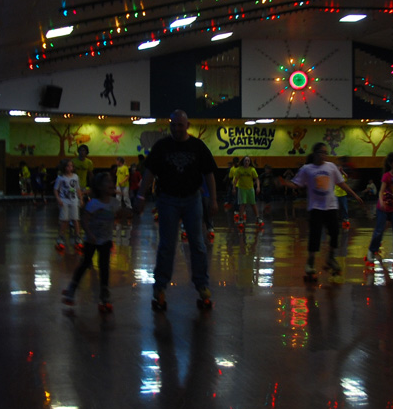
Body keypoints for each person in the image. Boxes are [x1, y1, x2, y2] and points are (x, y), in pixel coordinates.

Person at [134, 110, 219, 311]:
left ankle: (202, 286)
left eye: (180, 125)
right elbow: (149, 172)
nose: (177, 129)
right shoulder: (162, 146)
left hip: (192, 200)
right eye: (173, 125)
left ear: (187, 125)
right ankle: (160, 287)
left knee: (198, 244)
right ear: (169, 125)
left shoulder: (197, 146)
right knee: (166, 245)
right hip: (168, 200)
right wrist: (140, 196)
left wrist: (213, 200)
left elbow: (209, 174)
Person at [289, 142, 362, 278]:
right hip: (315, 207)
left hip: (331, 206)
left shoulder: (331, 167)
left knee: (334, 233)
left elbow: (341, 183)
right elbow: (296, 184)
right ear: (315, 153)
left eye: (325, 152)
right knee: (315, 235)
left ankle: (331, 258)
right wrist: (283, 183)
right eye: (321, 152)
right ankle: (310, 262)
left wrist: (355, 195)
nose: (324, 155)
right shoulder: (307, 168)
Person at [62, 173, 129, 313]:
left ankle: (104, 292)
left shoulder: (114, 203)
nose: (111, 184)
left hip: (106, 240)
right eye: (107, 182)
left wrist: (126, 213)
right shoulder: (93, 204)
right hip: (91, 240)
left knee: (104, 266)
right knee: (85, 263)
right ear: (99, 187)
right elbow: (84, 220)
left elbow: (119, 215)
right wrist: (89, 234)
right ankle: (72, 288)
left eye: (112, 181)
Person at [366, 151, 393, 263]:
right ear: (390, 164)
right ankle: (371, 250)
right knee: (379, 230)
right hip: (383, 208)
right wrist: (381, 201)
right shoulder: (387, 176)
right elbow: (381, 191)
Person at [52, 160, 84, 252]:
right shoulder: (60, 178)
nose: (69, 168)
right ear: (64, 167)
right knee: (64, 220)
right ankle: (61, 236)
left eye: (71, 166)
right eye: (67, 166)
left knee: (75, 219)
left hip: (74, 200)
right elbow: (55, 190)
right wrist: (58, 199)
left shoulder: (75, 177)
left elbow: (78, 189)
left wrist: (81, 199)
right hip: (64, 201)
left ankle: (78, 237)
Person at [231, 155, 262, 228]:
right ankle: (241, 218)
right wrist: (234, 188)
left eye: (248, 161)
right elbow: (236, 179)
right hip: (242, 189)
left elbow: (257, 179)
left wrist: (258, 187)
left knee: (253, 203)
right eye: (245, 160)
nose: (247, 162)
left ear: (250, 162)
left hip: (250, 189)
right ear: (243, 161)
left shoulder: (252, 170)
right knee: (243, 204)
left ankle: (257, 218)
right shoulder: (239, 169)